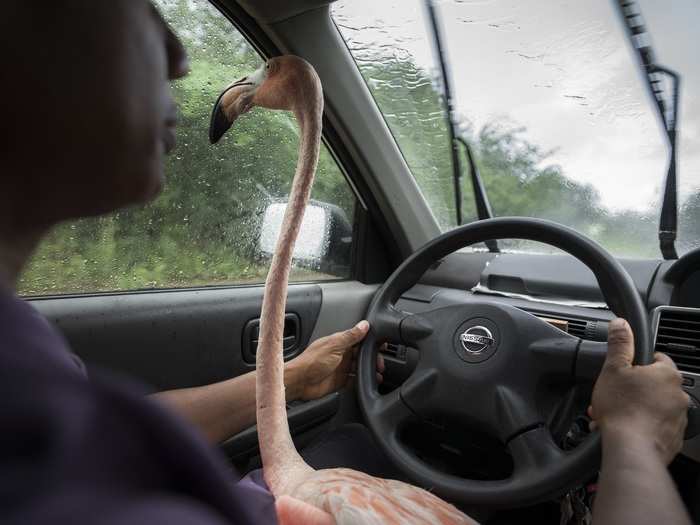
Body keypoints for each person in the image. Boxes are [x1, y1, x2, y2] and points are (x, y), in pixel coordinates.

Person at [0, 2, 691, 524]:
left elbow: (103, 424)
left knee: (353, 442)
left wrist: (296, 376)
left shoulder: (23, 351)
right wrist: (631, 442)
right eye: (131, 4)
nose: (178, 54)